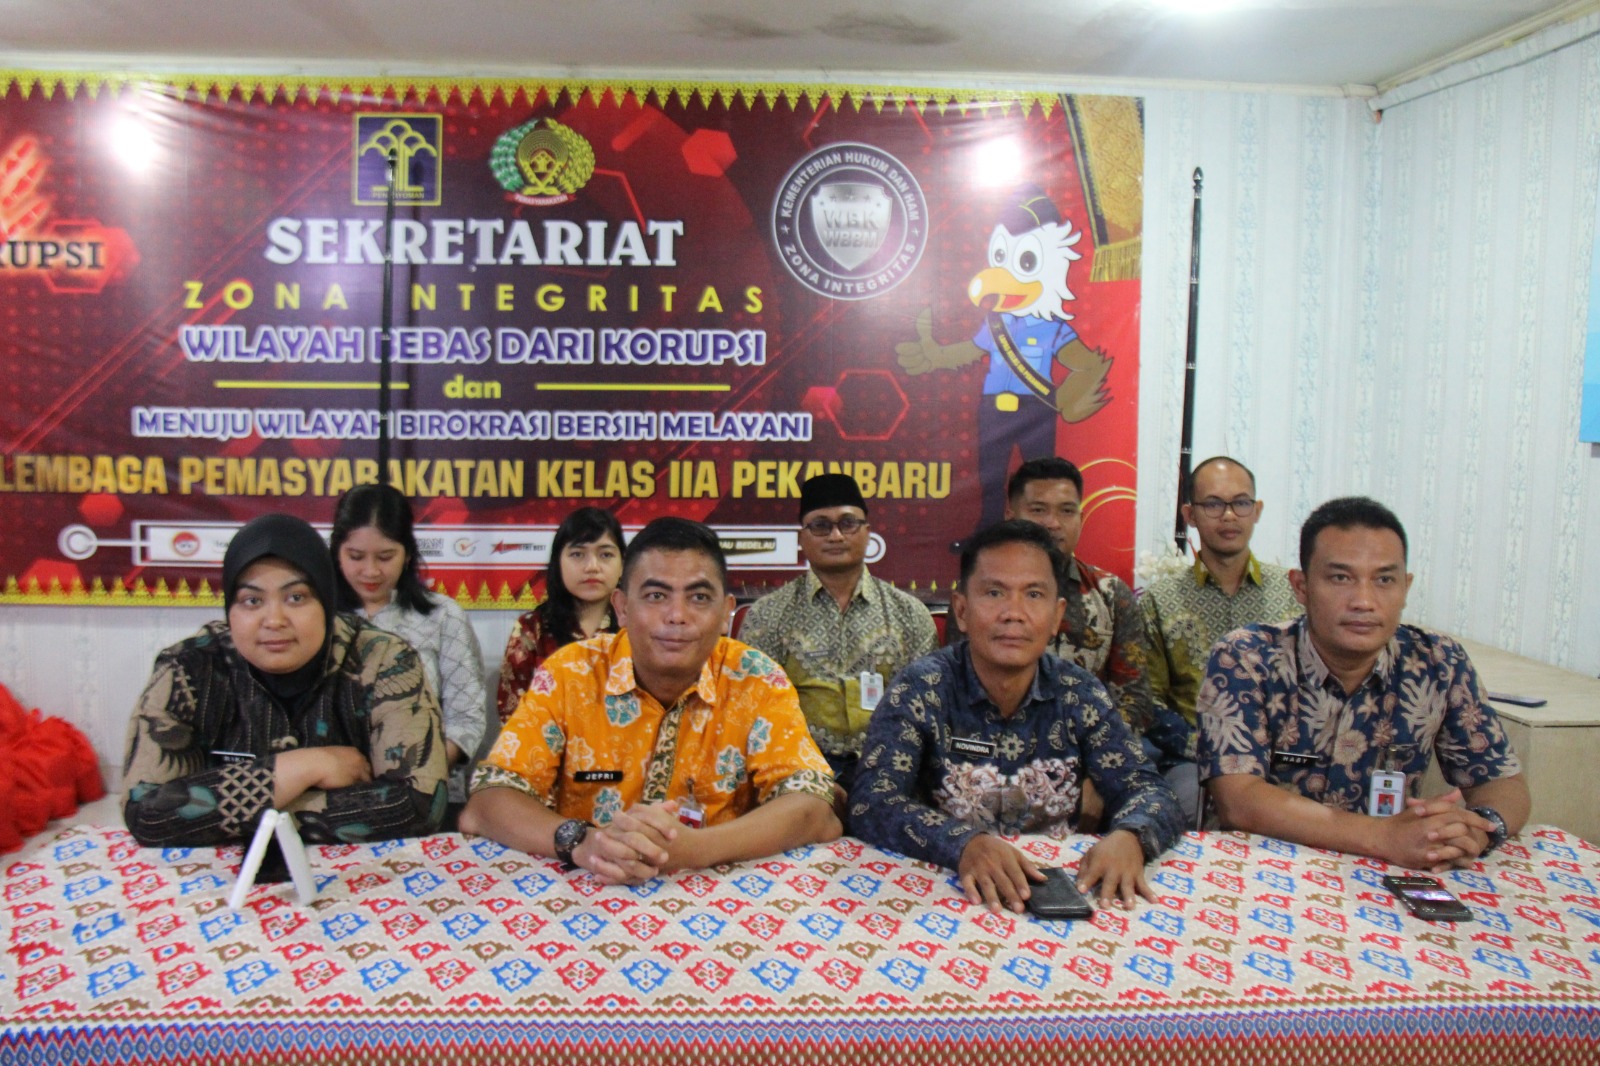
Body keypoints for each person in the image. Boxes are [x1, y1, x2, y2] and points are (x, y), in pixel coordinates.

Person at [461, 517, 840, 883]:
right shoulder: (570, 674)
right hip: (587, 889)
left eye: (699, 597)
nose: (676, 616)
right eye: (656, 596)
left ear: (726, 612)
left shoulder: (756, 679)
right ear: (622, 608)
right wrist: (583, 843)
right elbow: (488, 802)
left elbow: (815, 807)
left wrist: (695, 849)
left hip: (720, 897)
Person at [850, 520, 1186, 914]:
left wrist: (1131, 837)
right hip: (944, 893)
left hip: (1057, 894)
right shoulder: (921, 688)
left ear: (1057, 615)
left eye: (1034, 594)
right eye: (994, 593)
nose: (1014, 613)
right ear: (962, 610)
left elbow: (1148, 790)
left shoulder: (1079, 693)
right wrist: (963, 844)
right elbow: (872, 801)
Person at [1197, 496, 1531, 871]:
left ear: (1405, 588)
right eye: (1341, 578)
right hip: (1260, 869)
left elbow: (1501, 781)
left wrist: (1479, 829)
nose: (1364, 601)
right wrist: (1382, 837)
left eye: (1384, 580)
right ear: (1301, 586)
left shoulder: (1438, 661)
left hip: (1387, 874)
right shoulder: (1246, 658)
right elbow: (1238, 800)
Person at [123, 513, 448, 848]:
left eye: (296, 597)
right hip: (218, 874)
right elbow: (145, 813)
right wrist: (303, 767)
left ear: (326, 601)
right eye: (252, 601)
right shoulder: (189, 668)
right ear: (229, 609)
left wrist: (242, 810)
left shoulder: (383, 660)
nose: (274, 620)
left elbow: (420, 804)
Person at [739, 474, 937, 794]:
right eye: (820, 526)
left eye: (848, 523)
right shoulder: (768, 616)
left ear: (867, 532)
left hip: (889, 767)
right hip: (798, 770)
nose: (835, 535)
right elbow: (754, 713)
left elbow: (925, 709)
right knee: (805, 808)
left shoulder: (910, 615)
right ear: (802, 538)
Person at [1139, 457, 1301, 820]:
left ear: (1257, 510)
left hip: (1282, 758)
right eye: (1213, 504)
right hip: (1194, 762)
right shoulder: (1160, 600)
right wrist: (1213, 749)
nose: (1229, 516)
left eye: (1241, 503)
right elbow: (1148, 702)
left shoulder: (1292, 593)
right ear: (1190, 515)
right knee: (1191, 810)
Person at [331, 484, 488, 818]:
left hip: (426, 798)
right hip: (334, 798)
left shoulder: (442, 616)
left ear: (407, 554)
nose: (371, 571)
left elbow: (467, 718)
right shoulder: (317, 619)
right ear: (336, 553)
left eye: (385, 557)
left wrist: (418, 777)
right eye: (356, 557)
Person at [1003, 457, 1157, 739]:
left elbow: (1135, 699)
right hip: (1000, 748)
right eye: (1038, 510)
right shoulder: (982, 594)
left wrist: (1091, 750)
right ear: (1010, 515)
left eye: (1066, 511)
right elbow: (960, 688)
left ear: (1081, 519)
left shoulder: (1111, 595)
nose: (1052, 523)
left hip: (1093, 749)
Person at [497, 506, 626, 724]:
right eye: (577, 554)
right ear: (558, 563)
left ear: (623, 564)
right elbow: (512, 713)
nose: (592, 567)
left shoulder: (639, 626)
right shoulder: (532, 628)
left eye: (605, 555)